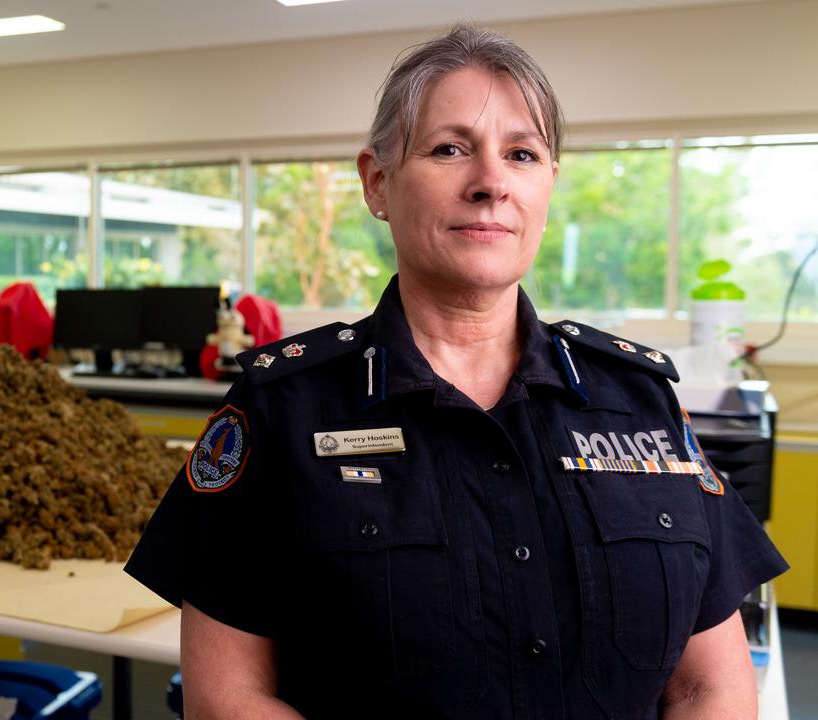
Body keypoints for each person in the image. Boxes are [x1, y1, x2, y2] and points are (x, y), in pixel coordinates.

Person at [124, 23, 788, 720]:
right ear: (377, 182)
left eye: (522, 154)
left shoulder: (640, 403)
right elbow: (227, 697)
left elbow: (710, 686)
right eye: (449, 149)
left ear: (548, 186)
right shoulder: (283, 410)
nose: (492, 183)